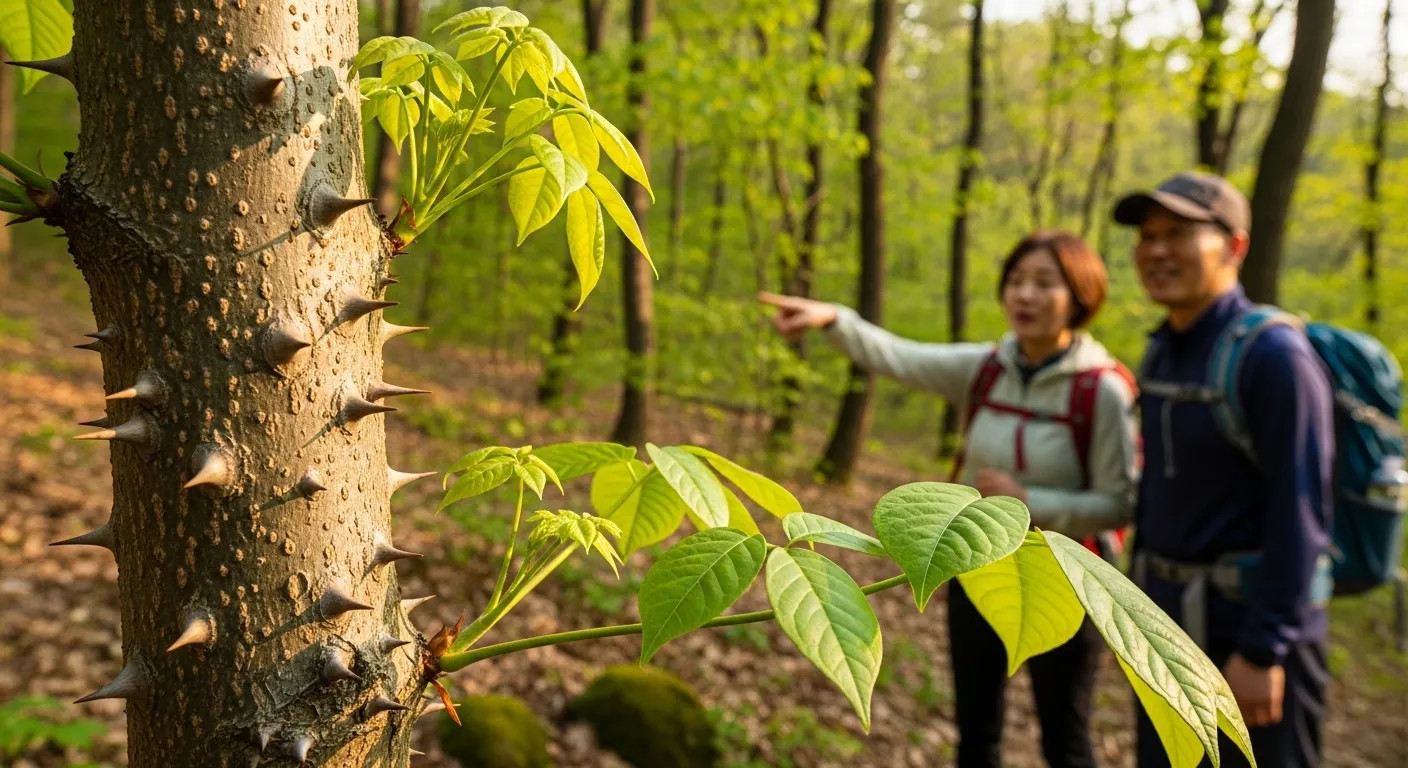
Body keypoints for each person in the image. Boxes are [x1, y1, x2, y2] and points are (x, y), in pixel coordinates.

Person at [759, 231, 1141, 768]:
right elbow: (901, 357)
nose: (1024, 296)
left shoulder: (1101, 390)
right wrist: (835, 320)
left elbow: (1119, 504)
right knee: (976, 734)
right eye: (1016, 282)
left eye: (1043, 283)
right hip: (975, 564)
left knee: (1066, 739)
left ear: (1080, 296)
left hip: (1070, 580)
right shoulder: (986, 368)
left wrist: (1027, 500)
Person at [1110, 171, 1336, 768]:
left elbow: (1303, 513)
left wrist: (1264, 652)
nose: (1155, 250)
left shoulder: (1275, 358)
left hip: (1250, 641)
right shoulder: (1164, 347)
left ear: (1234, 245)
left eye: (1178, 233)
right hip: (1168, 636)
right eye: (1147, 236)